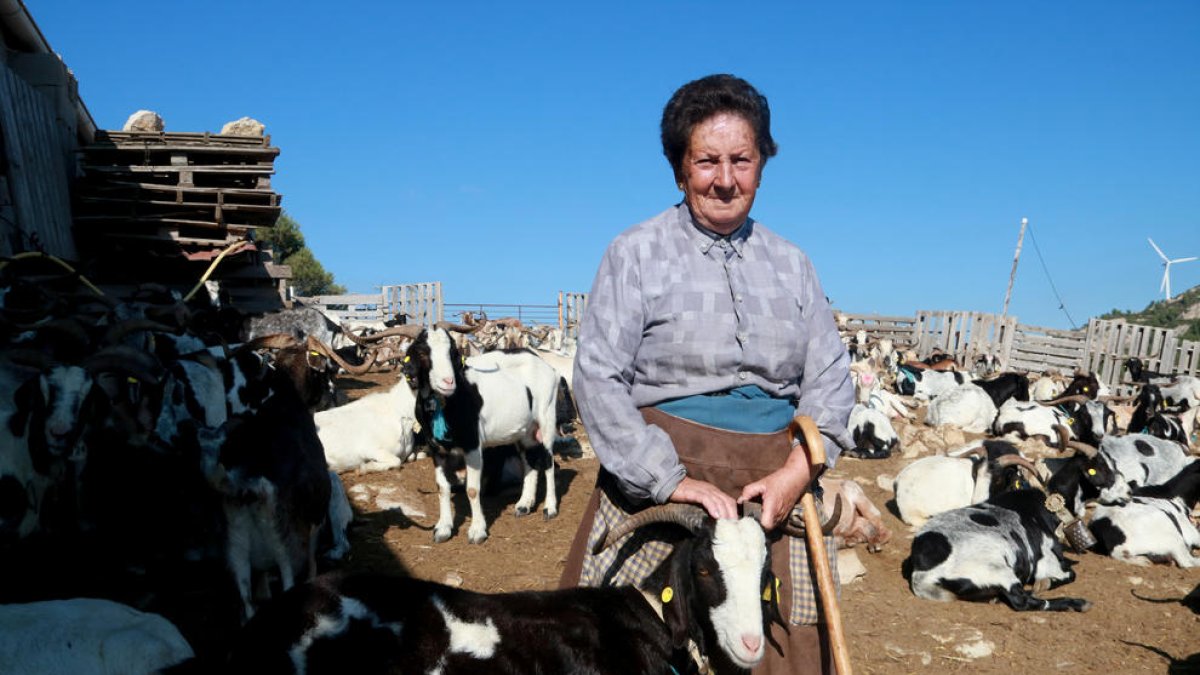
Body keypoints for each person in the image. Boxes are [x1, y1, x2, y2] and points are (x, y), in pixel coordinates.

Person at [559, 74, 854, 674]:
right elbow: (596, 375)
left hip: (773, 487)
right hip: (662, 478)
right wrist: (667, 480)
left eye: (742, 160)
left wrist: (797, 474)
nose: (725, 180)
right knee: (628, 646)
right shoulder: (635, 252)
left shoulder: (793, 265)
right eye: (707, 161)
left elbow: (829, 378)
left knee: (783, 650)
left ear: (762, 164)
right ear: (679, 167)